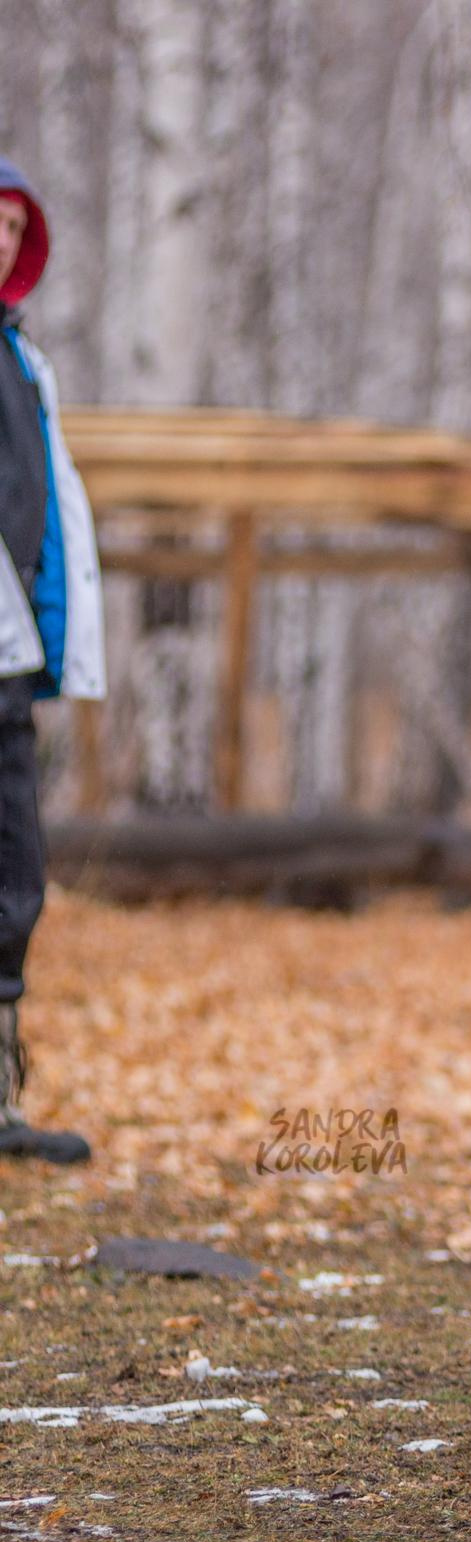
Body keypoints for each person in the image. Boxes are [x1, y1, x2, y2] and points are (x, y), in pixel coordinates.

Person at [0, 156, 104, 1164]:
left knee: (16, 873)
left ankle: (1, 1097)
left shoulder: (24, 359)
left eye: (10, 225)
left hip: (9, 660)